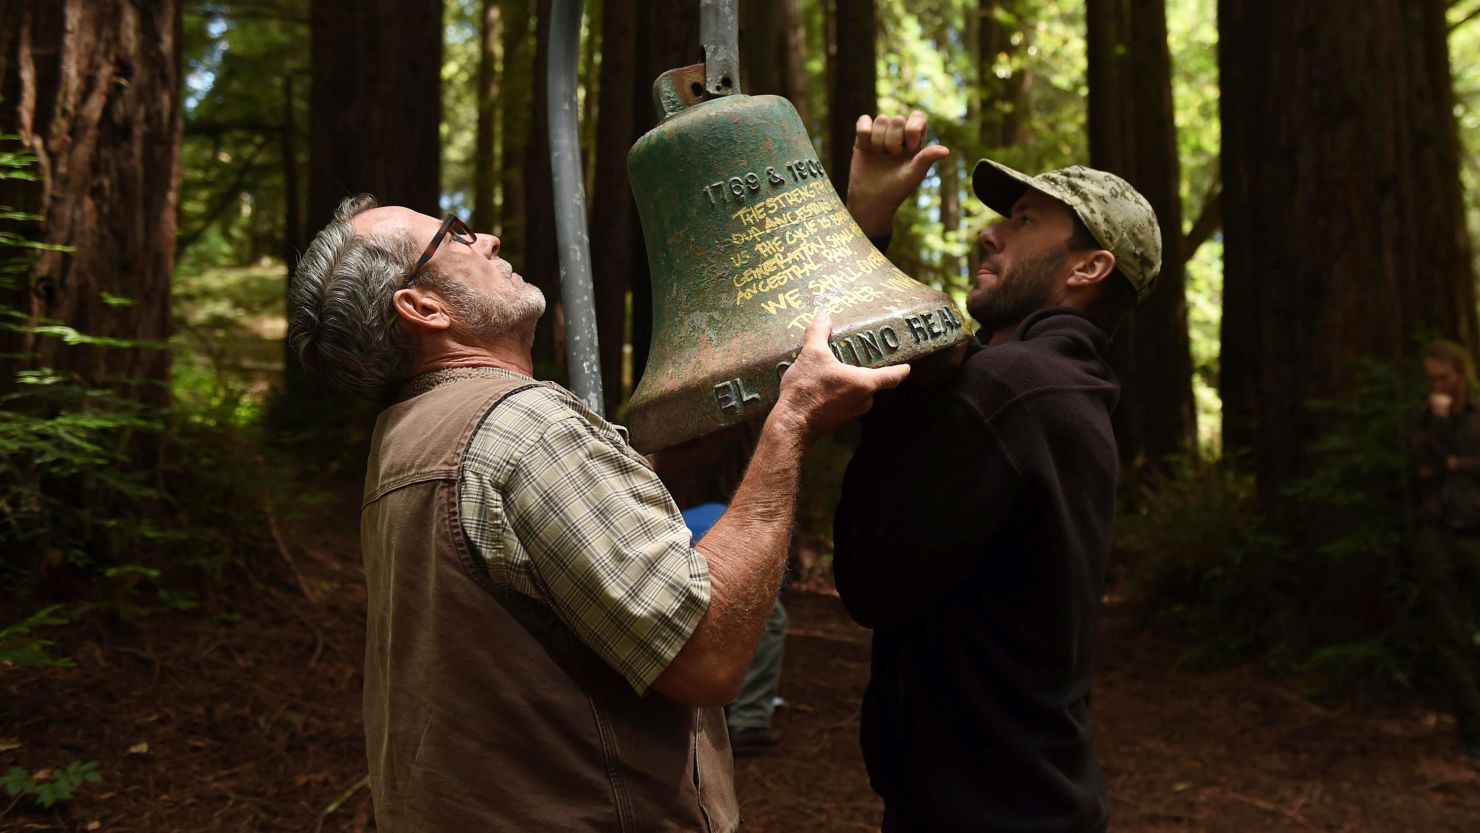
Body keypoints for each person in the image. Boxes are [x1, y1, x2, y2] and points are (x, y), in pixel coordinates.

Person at [287, 195, 908, 832]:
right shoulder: (524, 428)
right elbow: (704, 654)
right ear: (424, 308)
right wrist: (792, 421)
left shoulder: (402, 441)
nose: (490, 240)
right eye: (456, 235)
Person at [832, 112, 1161, 833]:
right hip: (1021, 803)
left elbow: (870, 575)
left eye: (1024, 220)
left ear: (1088, 267)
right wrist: (868, 220)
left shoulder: (1012, 391)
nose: (991, 231)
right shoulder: (1050, 387)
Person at [1411, 339, 1480, 759]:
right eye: (1431, 379)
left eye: (1445, 377)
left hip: (1476, 533)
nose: (1439, 385)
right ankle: (1474, 729)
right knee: (1451, 637)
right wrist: (1438, 430)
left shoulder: (1477, 417)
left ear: (1461, 374)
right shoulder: (1424, 420)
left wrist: (1458, 464)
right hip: (1438, 537)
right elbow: (1421, 464)